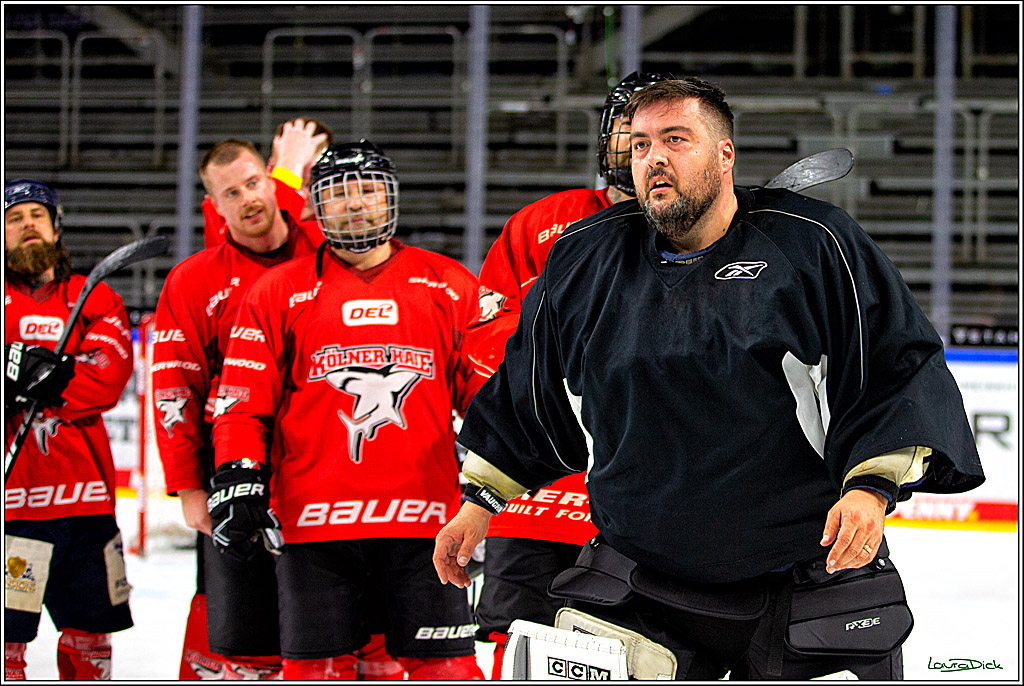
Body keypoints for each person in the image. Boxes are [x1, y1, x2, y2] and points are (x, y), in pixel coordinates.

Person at [435, 78, 985, 680]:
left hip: (803, 569)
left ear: (725, 154)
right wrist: (480, 502)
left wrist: (871, 488)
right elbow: (533, 391)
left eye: (676, 139)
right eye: (640, 146)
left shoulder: (814, 244)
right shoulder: (585, 257)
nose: (654, 159)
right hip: (642, 571)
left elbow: (895, 365)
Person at [210, 141, 486, 681]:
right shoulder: (277, 291)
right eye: (337, 194)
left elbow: (486, 400)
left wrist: (496, 484)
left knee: (447, 670)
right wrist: (237, 471)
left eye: (366, 191)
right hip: (314, 527)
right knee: (315, 672)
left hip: (429, 525)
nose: (354, 204)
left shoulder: (450, 285)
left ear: (390, 199)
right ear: (315, 206)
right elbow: (241, 401)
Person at [465, 70, 671, 678]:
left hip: (650, 506)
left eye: (662, 138)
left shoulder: (705, 232)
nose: (644, 152)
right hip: (534, 501)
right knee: (515, 647)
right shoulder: (539, 226)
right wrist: (567, 351)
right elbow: (484, 342)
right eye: (632, 137)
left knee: (644, 651)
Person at [151, 136, 326, 679]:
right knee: (236, 635)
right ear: (215, 206)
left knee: (329, 625)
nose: (247, 198)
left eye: (254, 183)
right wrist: (188, 485)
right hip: (233, 475)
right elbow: (173, 388)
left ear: (273, 182)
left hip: (325, 471)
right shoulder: (193, 279)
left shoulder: (327, 250)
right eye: (231, 192)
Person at [5, 179, 135, 680]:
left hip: (85, 508)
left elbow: (108, 375)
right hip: (12, 510)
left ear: (56, 227)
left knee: (90, 642)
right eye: (15, 219)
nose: (27, 225)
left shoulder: (92, 296)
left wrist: (51, 378)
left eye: (37, 215)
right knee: (6, 646)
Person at [200, 117, 332, 248]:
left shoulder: (338, 229)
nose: (303, 195)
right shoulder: (223, 205)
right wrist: (289, 168)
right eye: (297, 179)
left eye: (311, 183)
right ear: (270, 172)